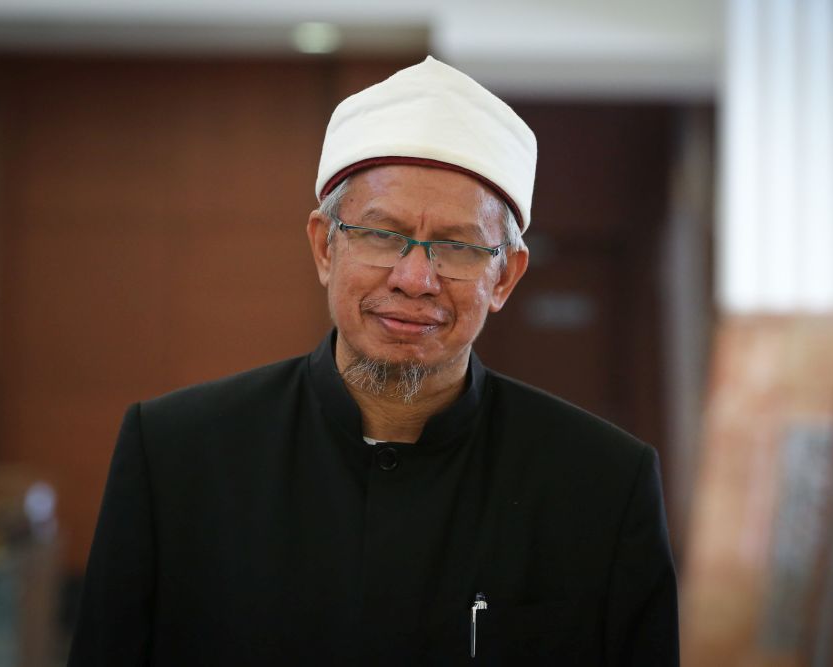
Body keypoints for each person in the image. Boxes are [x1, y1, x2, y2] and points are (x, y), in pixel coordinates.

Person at [68, 56, 678, 665]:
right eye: (381, 235)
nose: (415, 279)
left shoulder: (602, 486)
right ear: (324, 246)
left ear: (505, 277)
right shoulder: (176, 455)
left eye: (457, 245)